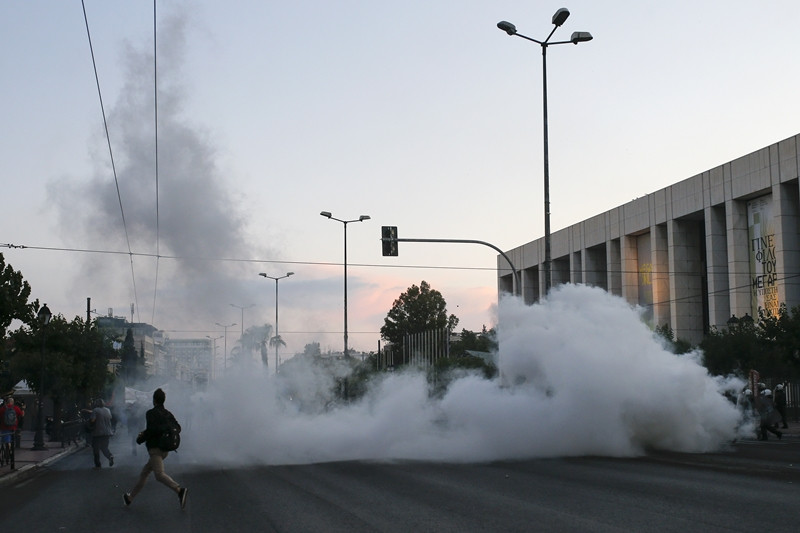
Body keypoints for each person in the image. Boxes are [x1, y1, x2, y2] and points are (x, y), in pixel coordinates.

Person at [123, 388, 188, 509]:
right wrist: (165, 430)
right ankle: (130, 498)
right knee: (144, 473)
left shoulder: (151, 413)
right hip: (165, 449)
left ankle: (179, 490)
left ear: (154, 400)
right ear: (164, 400)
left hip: (156, 449)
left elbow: (151, 431)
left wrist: (140, 439)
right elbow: (178, 428)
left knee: (159, 475)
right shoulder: (168, 413)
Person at [90, 398, 115, 468]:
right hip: (107, 432)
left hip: (97, 432)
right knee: (104, 447)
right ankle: (110, 456)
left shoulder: (95, 410)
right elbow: (110, 417)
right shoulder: (107, 410)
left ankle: (98, 465)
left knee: (96, 449)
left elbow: (93, 420)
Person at [0, 397, 24, 469]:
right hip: (13, 427)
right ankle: (10, 452)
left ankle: (6, 449)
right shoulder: (16, 408)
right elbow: (21, 414)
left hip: (4, 427)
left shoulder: (3, 408)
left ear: (6, 402)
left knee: (4, 440)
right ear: (12, 402)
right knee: (12, 439)